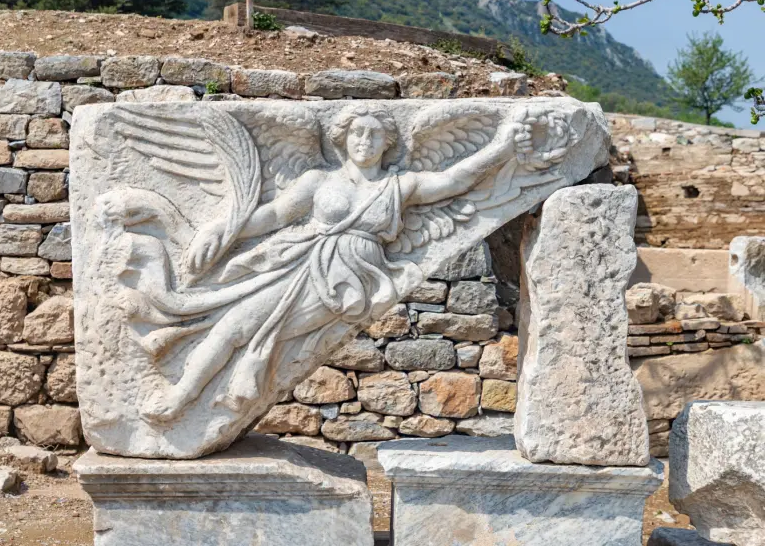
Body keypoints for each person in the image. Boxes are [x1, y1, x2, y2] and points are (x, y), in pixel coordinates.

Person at [139, 105, 531, 422]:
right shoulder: (318, 180)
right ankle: (180, 398)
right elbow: (274, 215)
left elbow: (453, 181)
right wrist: (226, 228)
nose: (365, 140)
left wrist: (503, 147)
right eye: (357, 133)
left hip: (350, 280)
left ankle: (198, 398)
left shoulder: (397, 186)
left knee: (249, 332)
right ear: (342, 139)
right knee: (231, 327)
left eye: (374, 133)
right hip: (297, 259)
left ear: (387, 141)